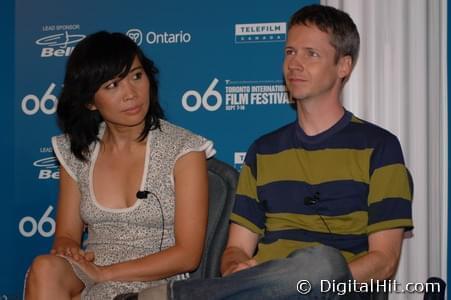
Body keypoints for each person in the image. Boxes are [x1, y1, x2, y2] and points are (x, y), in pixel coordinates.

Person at [127, 4, 413, 300]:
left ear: (343, 66)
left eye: (311, 54)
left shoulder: (380, 146)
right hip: (263, 289)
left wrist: (314, 282)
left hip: (336, 292)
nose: (295, 64)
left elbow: (384, 261)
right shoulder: (263, 151)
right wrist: (238, 267)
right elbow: (236, 249)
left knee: (322, 263)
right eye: (290, 52)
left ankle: (172, 297)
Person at [24, 31, 215, 299]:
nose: (131, 94)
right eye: (112, 85)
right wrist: (69, 248)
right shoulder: (77, 151)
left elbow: (187, 255)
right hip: (90, 273)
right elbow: (66, 234)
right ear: (90, 100)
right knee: (44, 267)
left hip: (155, 280)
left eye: (137, 76)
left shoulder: (184, 149)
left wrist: (106, 274)